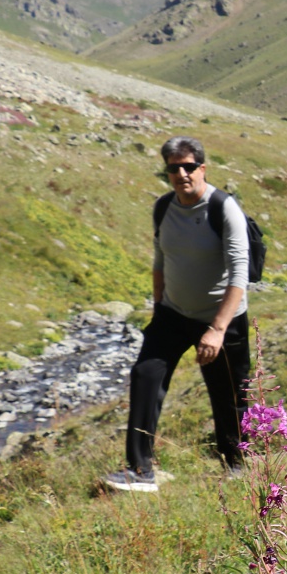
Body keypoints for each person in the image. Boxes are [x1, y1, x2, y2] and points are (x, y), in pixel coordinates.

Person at [103, 136, 251, 493]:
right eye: (174, 168)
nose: (181, 173)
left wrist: (216, 329)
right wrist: (158, 309)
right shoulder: (163, 208)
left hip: (221, 319)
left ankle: (237, 465)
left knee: (227, 394)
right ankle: (140, 470)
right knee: (145, 375)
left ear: (202, 167)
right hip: (172, 313)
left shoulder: (223, 207)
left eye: (188, 166)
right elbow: (160, 262)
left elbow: (239, 274)